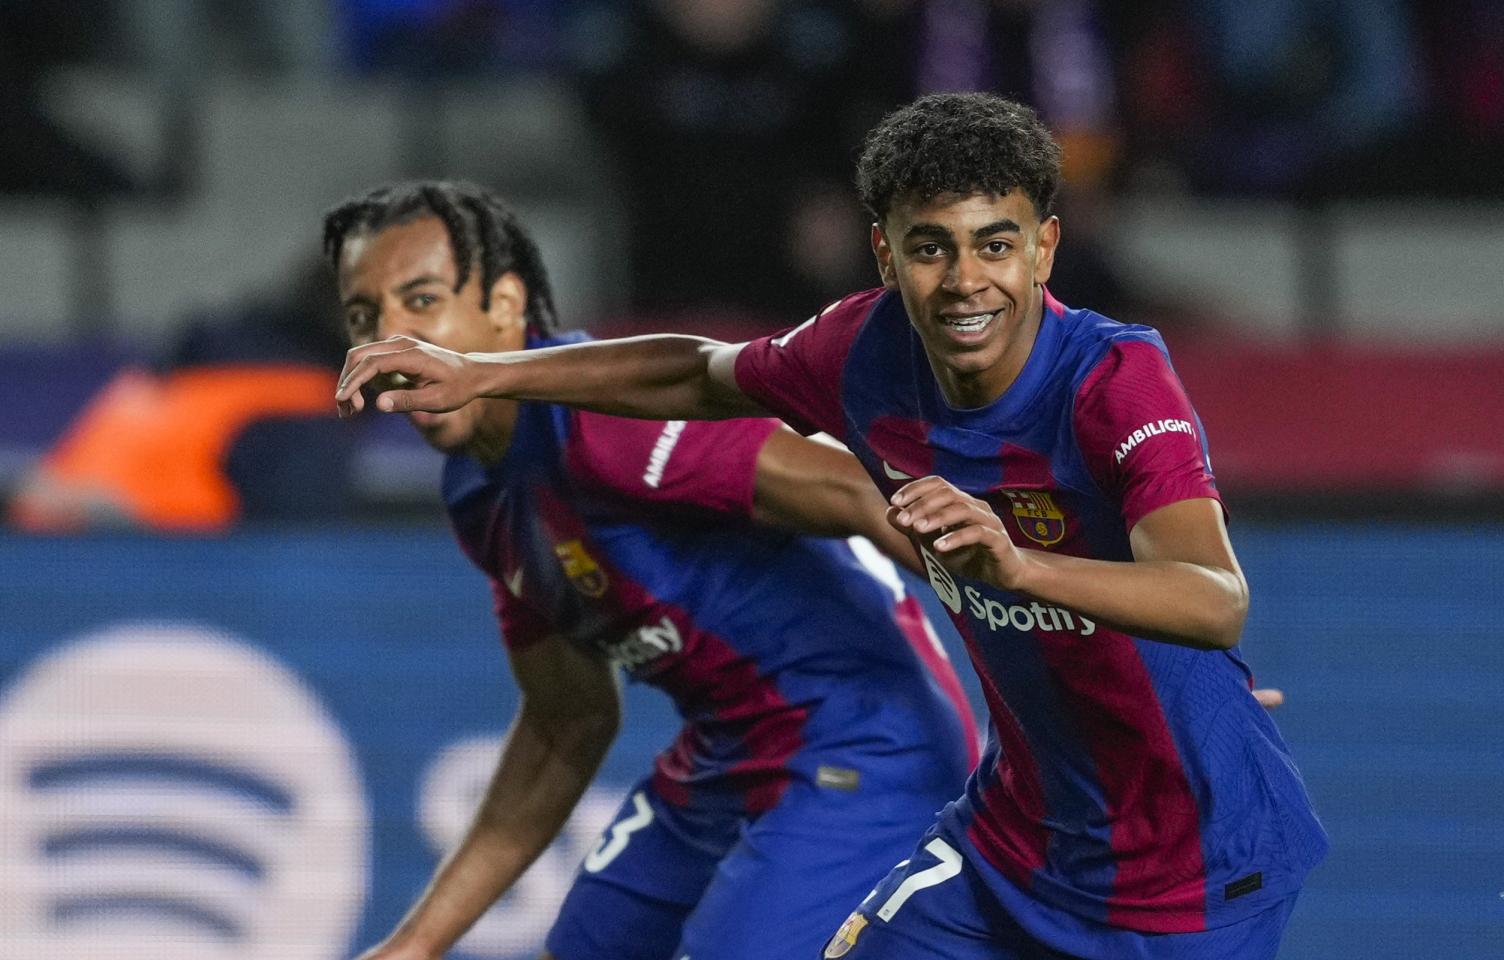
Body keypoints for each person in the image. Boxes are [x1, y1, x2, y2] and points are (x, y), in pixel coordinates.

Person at [335, 94, 1327, 959]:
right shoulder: (857, 351)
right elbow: (696, 373)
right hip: (1011, 833)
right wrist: (481, 373)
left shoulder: (1113, 380)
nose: (963, 281)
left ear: (1043, 249)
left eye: (994, 244)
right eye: (930, 247)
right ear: (883, 252)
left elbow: (1212, 598)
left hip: (1190, 864)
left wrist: (1046, 589)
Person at [323, 180, 979, 960]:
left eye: (421, 301)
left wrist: (1043, 638)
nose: (391, 343)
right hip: (728, 757)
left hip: (866, 746)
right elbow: (567, 721)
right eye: (366, 318)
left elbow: (855, 492)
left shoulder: (605, 417)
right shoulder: (478, 494)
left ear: (503, 304)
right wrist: (415, 946)